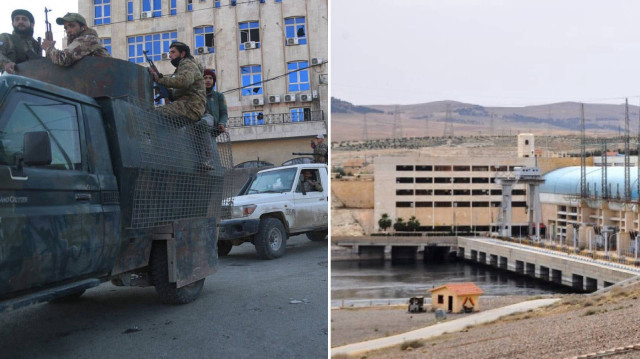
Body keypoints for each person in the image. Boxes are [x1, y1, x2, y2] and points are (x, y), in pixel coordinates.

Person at [148, 41, 205, 122]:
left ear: (182, 54)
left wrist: (160, 79)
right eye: (169, 53)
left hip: (190, 107)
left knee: (153, 114)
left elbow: (184, 81)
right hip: (190, 107)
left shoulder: (187, 63)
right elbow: (182, 92)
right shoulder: (183, 67)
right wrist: (166, 91)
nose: (170, 55)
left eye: (173, 52)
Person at [41, 13, 110, 67]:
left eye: (72, 26)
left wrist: (48, 48)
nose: (68, 31)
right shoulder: (79, 42)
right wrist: (51, 49)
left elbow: (64, 58)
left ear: (83, 27)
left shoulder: (88, 39)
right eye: (66, 28)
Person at [0, 9, 42, 74]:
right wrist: (6, 63)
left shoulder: (36, 45)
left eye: (24, 19)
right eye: (17, 19)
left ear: (32, 24)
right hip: (11, 80)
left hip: (33, 81)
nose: (20, 22)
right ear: (13, 23)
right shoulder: (6, 38)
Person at [203, 69, 228, 134]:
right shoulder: (197, 95)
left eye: (210, 78)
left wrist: (222, 123)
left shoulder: (219, 96)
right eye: (205, 78)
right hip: (198, 130)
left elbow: (224, 113)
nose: (208, 80)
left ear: (213, 81)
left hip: (213, 131)